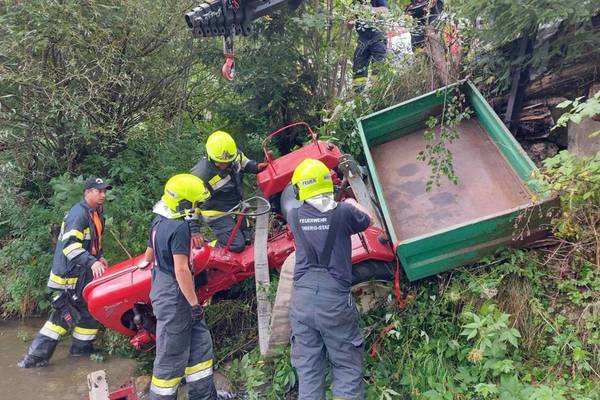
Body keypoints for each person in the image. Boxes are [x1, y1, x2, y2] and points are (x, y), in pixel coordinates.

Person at [287, 159, 373, 400]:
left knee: (309, 370)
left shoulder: (294, 216)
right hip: (333, 301)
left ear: (300, 189)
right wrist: (353, 203)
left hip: (301, 301)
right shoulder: (344, 212)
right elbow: (369, 220)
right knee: (346, 366)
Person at [18, 177, 112, 368]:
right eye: (99, 191)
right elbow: (70, 247)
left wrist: (99, 256)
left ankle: (81, 351)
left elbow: (93, 242)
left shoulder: (96, 214)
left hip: (83, 275)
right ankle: (33, 359)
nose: (103, 195)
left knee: (88, 313)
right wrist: (92, 262)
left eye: (104, 191)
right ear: (87, 193)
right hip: (69, 277)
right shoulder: (78, 214)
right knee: (62, 319)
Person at [140, 173, 217, 400]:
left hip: (165, 289)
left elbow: (148, 255)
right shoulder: (179, 227)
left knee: (200, 346)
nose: (197, 207)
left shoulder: (159, 219)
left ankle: (204, 396)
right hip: (175, 297)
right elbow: (181, 270)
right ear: (183, 202)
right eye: (195, 203)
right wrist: (194, 304)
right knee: (170, 357)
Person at [191, 130, 265, 253]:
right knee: (237, 245)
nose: (224, 165)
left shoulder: (235, 155)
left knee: (248, 238)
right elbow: (191, 204)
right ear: (210, 157)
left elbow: (245, 163)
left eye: (227, 162)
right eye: (220, 162)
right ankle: (209, 248)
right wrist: (194, 230)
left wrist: (256, 167)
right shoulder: (202, 175)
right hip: (217, 214)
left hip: (236, 206)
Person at [350, 0, 389, 92]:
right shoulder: (355, 3)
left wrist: (370, 9)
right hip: (362, 39)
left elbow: (385, 10)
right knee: (358, 68)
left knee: (378, 66)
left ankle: (377, 92)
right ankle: (358, 94)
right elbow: (349, 26)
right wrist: (350, 20)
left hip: (377, 35)